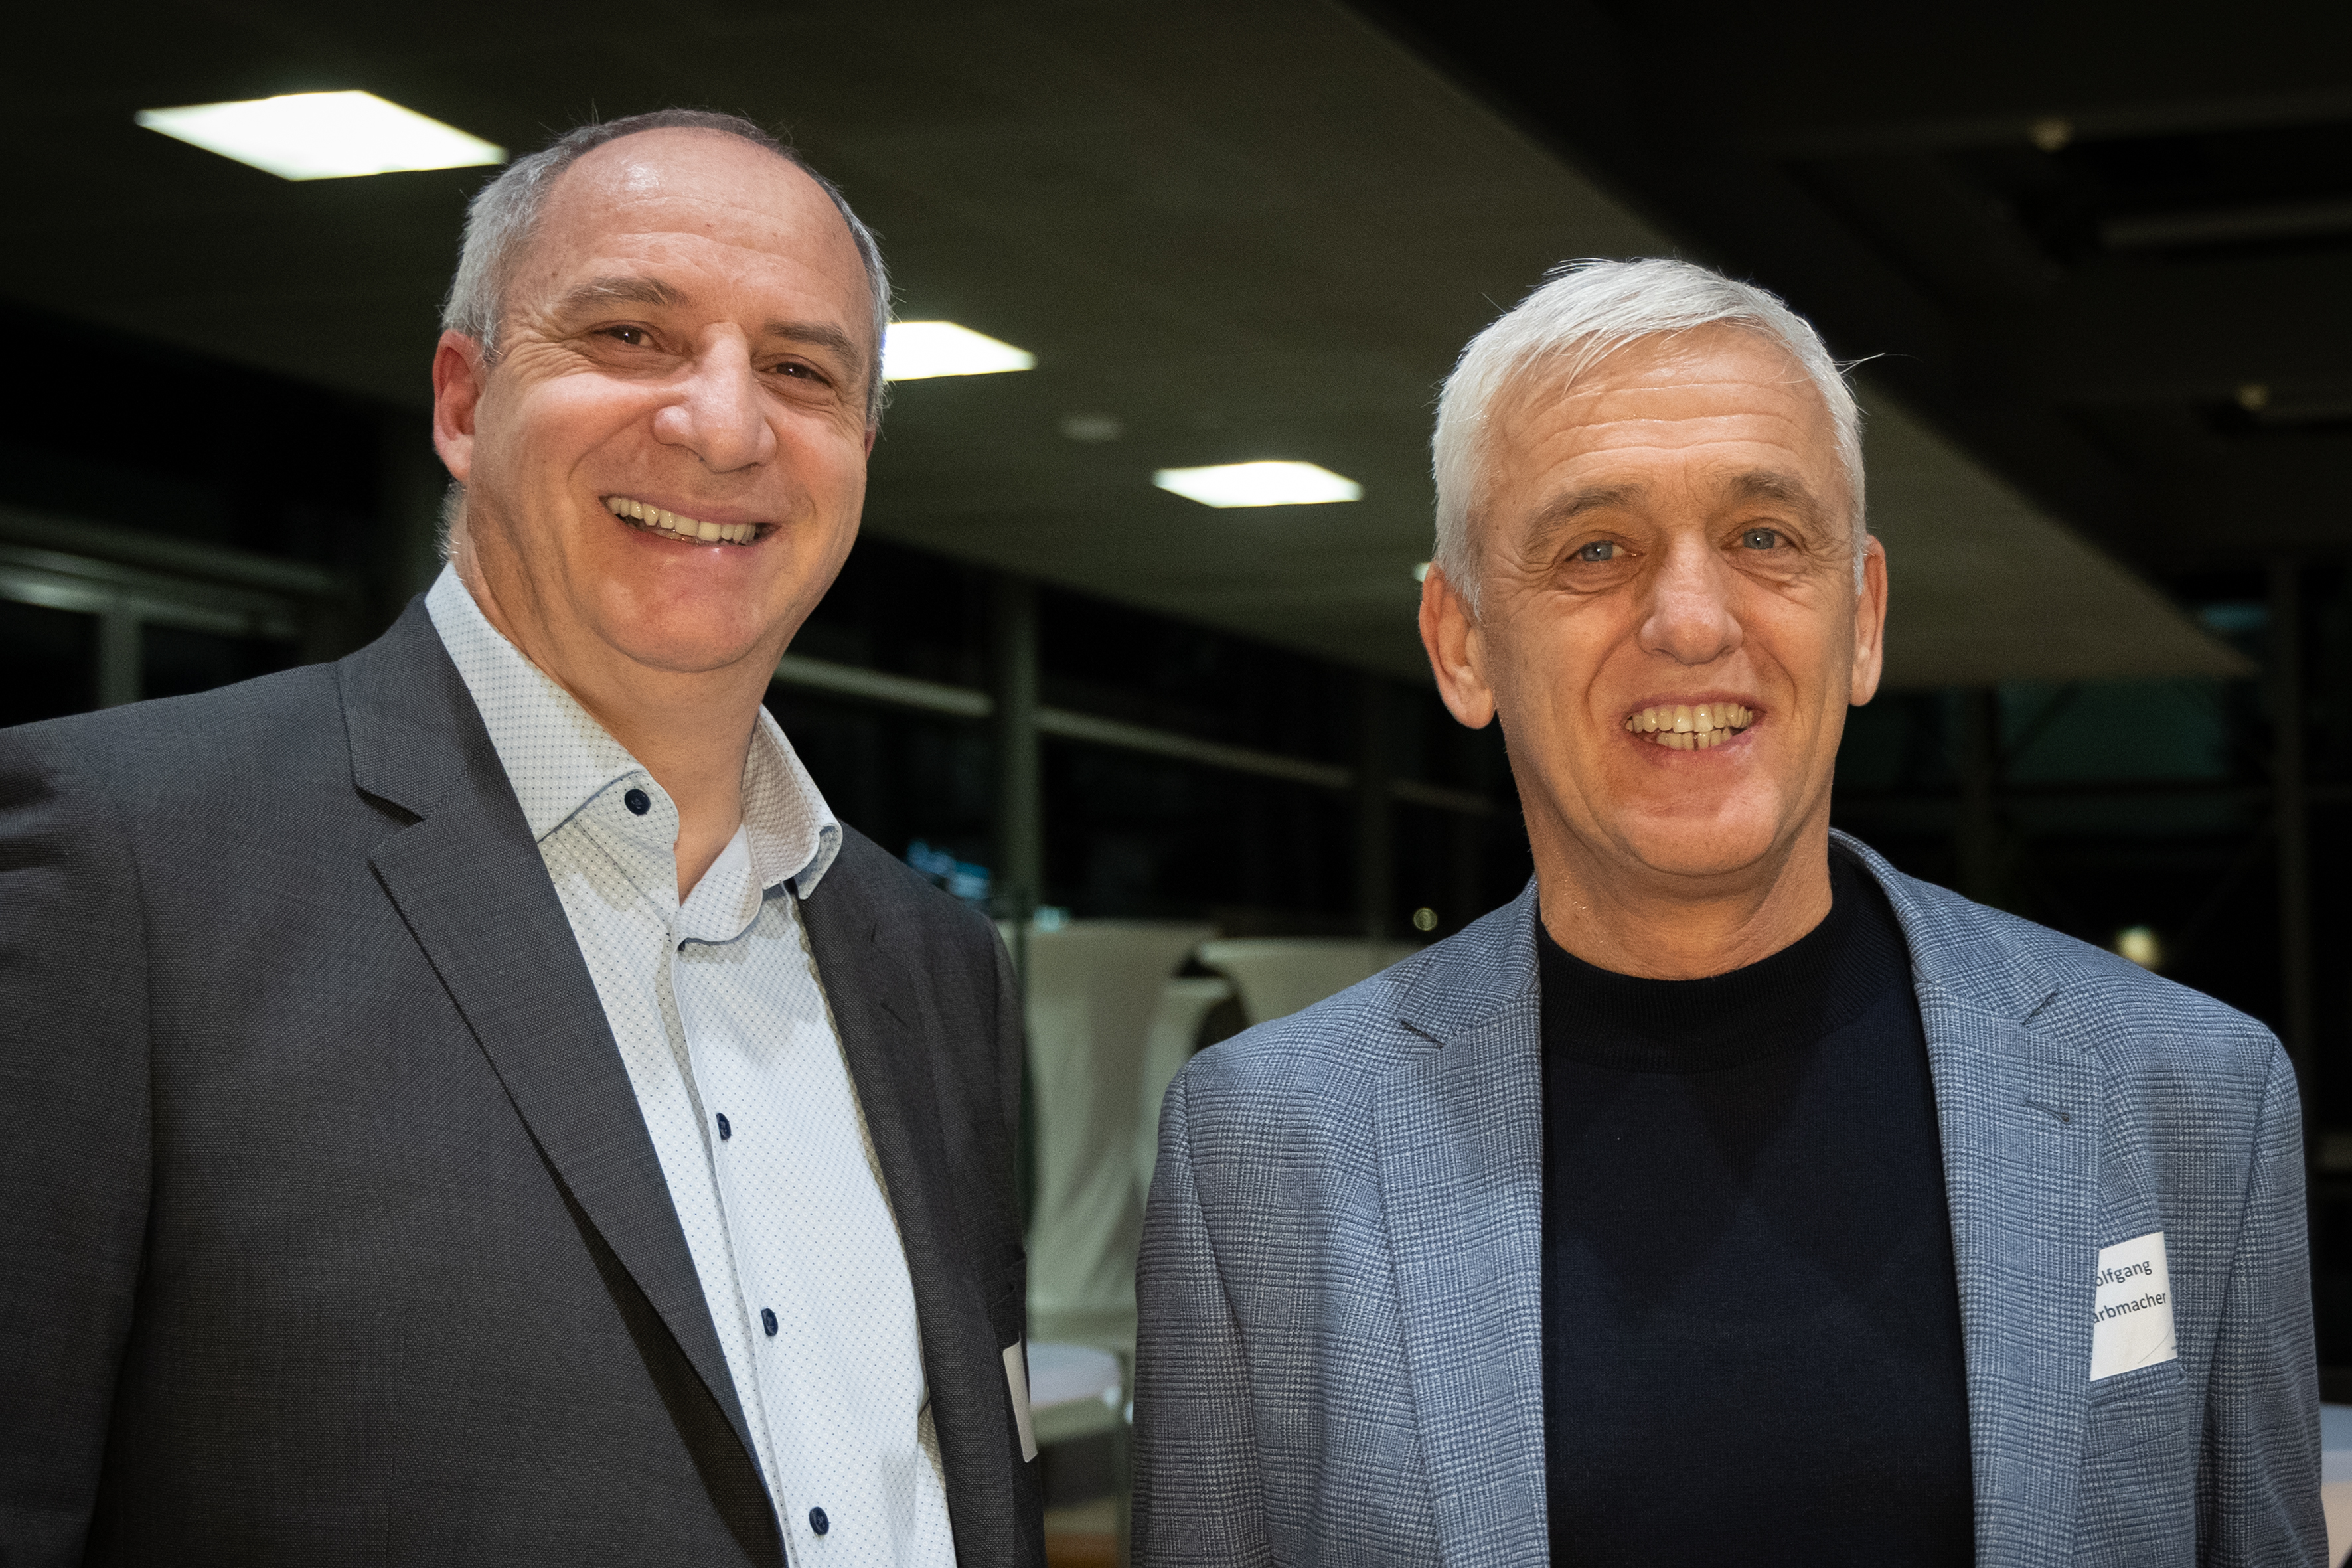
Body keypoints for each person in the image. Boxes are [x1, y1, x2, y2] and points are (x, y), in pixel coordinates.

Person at [1132, 257, 2322, 1565]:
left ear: (1861, 618)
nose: (1692, 621)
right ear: (1461, 641)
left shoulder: (2189, 1094)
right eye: (1595, 548)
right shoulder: (1262, 1145)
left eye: (1765, 537)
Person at [0, 110, 1040, 1567]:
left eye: (802, 371)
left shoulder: (934, 962)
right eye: (630, 335)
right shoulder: (126, 861)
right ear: (463, 398)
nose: (724, 425)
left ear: (859, 449)